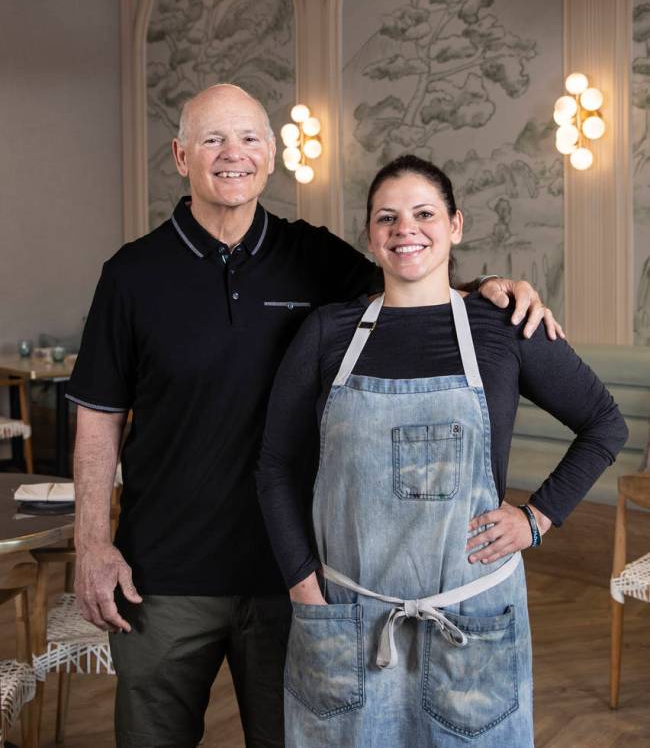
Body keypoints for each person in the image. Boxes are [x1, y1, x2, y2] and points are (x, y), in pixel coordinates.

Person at [68, 86, 560, 748]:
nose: (232, 154)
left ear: (272, 157)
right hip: (165, 576)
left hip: (299, 575)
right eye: (212, 140)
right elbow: (98, 415)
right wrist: (92, 543)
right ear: (181, 155)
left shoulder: (314, 257)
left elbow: (409, 279)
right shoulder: (131, 275)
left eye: (248, 139)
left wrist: (491, 289)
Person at [256, 154, 628, 747]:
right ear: (371, 236)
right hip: (348, 620)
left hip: (472, 619)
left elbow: (605, 424)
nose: (407, 230)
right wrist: (303, 585)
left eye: (424, 213)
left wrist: (537, 517)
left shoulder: (503, 325)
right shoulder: (328, 333)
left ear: (455, 225)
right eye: (388, 217)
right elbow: (274, 466)